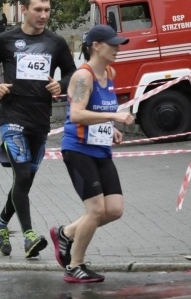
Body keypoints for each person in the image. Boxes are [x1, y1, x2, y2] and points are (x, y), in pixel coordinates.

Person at [0, 0, 77, 258]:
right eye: (38, 10)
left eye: (47, 10)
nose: (44, 15)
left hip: (40, 118)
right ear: (24, 9)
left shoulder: (55, 42)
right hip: (12, 117)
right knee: (21, 175)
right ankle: (29, 236)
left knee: (24, 182)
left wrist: (62, 83)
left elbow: (71, 71)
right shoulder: (6, 40)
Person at [50, 25, 134, 283]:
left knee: (115, 209)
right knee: (96, 210)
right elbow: (76, 114)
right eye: (113, 44)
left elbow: (98, 110)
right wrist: (114, 116)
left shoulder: (110, 71)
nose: (118, 49)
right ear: (96, 45)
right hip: (78, 149)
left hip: (101, 149)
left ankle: (65, 233)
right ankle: (75, 265)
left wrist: (110, 130)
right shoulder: (83, 77)